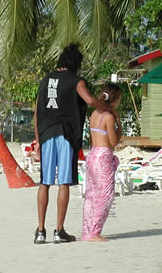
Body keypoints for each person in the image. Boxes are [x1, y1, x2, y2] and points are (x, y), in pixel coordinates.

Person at [33, 44, 112, 244]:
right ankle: (59, 231)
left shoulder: (45, 80)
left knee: (45, 182)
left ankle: (40, 231)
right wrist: (108, 108)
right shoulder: (76, 81)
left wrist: (38, 142)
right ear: (76, 63)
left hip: (46, 135)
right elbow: (91, 101)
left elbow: (37, 113)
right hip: (65, 135)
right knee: (64, 182)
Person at [82, 84, 122, 242]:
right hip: (104, 155)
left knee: (91, 195)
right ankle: (94, 232)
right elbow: (113, 141)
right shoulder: (108, 117)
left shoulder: (94, 114)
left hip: (93, 154)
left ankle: (88, 231)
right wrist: (119, 126)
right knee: (105, 195)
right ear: (116, 99)